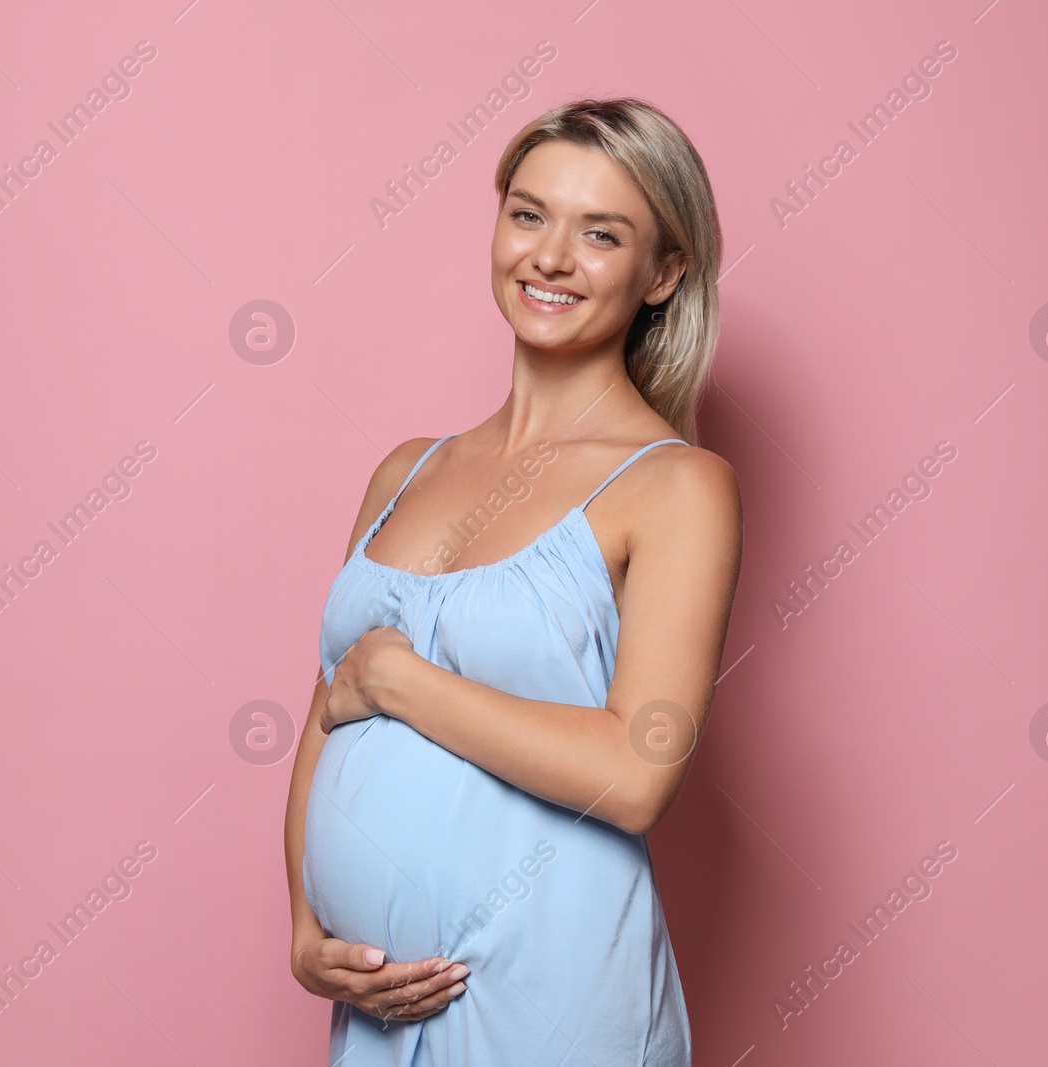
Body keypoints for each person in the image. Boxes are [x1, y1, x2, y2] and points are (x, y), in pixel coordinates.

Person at [283, 96, 743, 1066]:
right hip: (378, 1013)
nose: (548, 256)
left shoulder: (675, 486)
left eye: (601, 233)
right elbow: (326, 711)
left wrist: (401, 681)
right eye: (529, 214)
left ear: (664, 272)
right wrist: (306, 929)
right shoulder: (403, 470)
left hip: (555, 999)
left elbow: (636, 771)